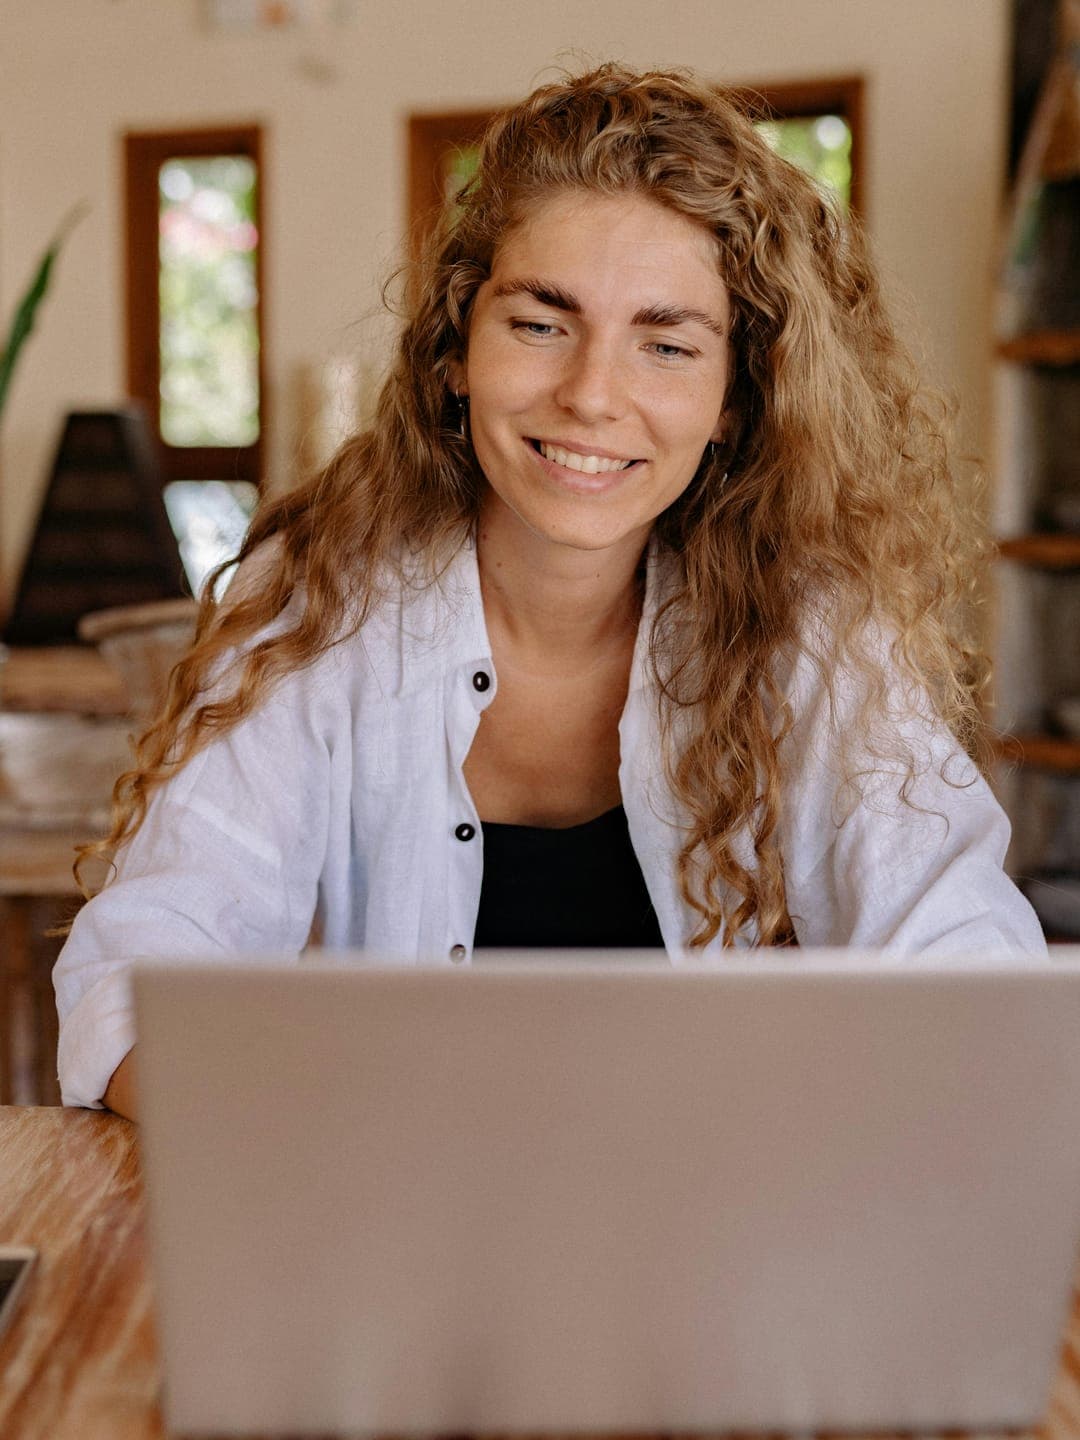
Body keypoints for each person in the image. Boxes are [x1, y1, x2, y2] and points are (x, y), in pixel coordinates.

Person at [54, 63, 1045, 1120]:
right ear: (454, 349)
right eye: (540, 323)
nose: (590, 396)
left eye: (665, 345)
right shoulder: (318, 598)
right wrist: (313, 1131)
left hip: (724, 1241)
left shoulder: (809, 627)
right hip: (391, 1234)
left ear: (732, 401)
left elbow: (966, 967)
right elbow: (141, 970)